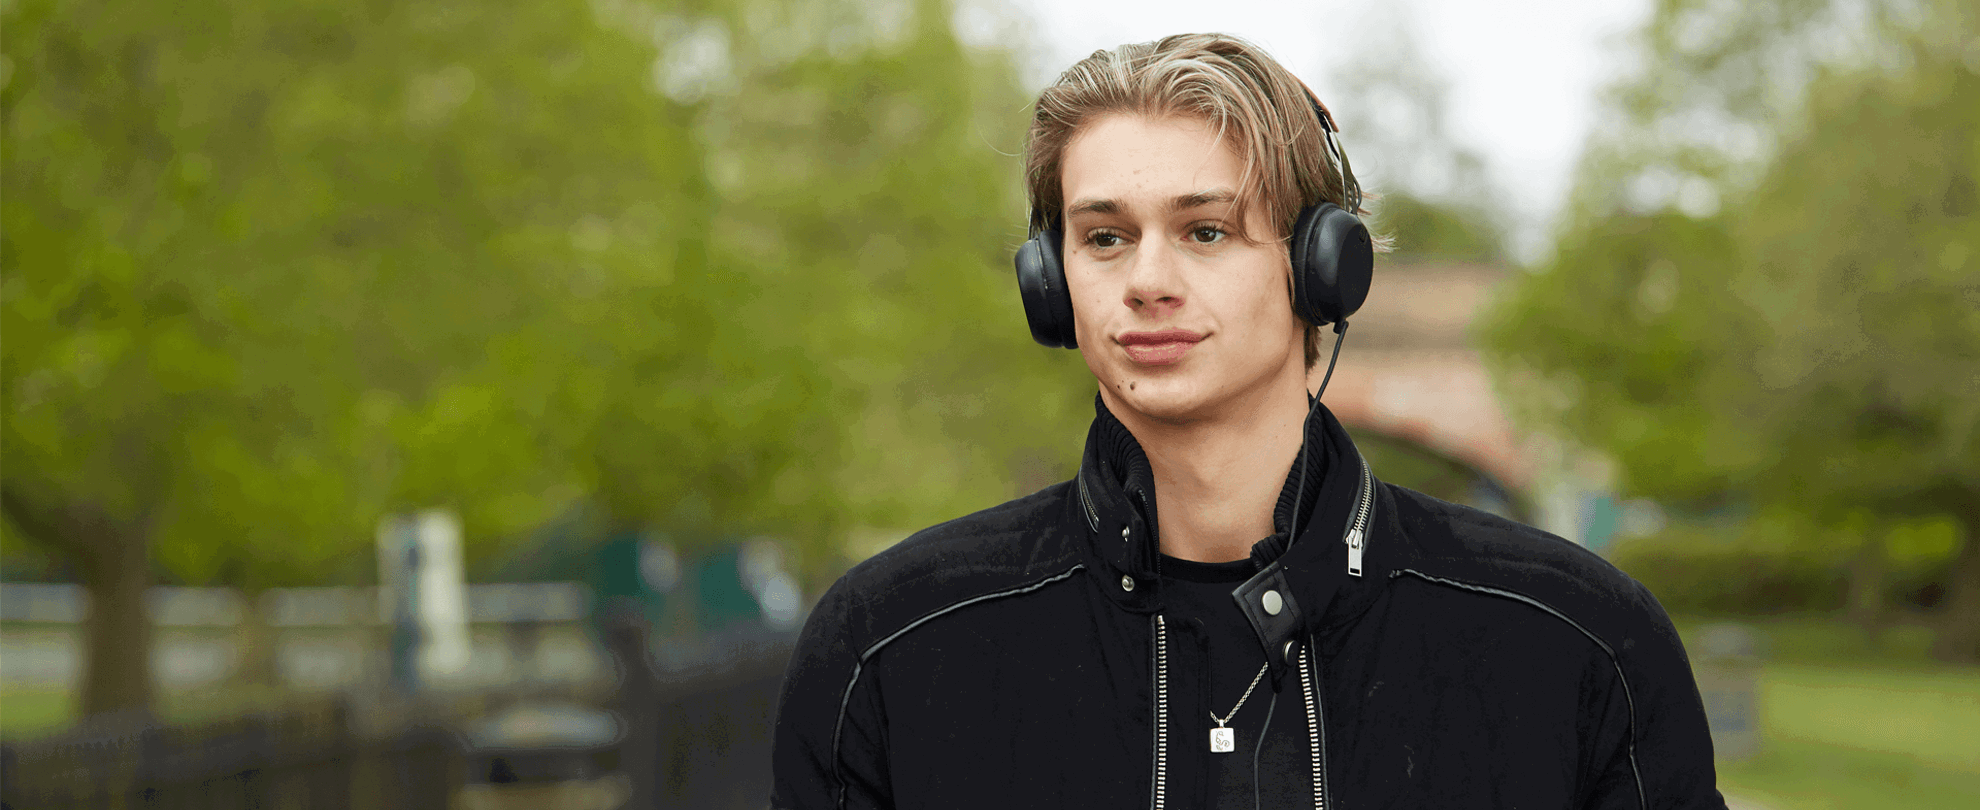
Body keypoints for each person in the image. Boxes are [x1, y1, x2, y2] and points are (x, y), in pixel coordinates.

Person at [772, 33, 1724, 809]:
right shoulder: (887, 647)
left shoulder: (1578, 641)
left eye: (1206, 230)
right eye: (1104, 237)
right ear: (1051, 286)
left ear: (1322, 270)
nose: (1147, 280)